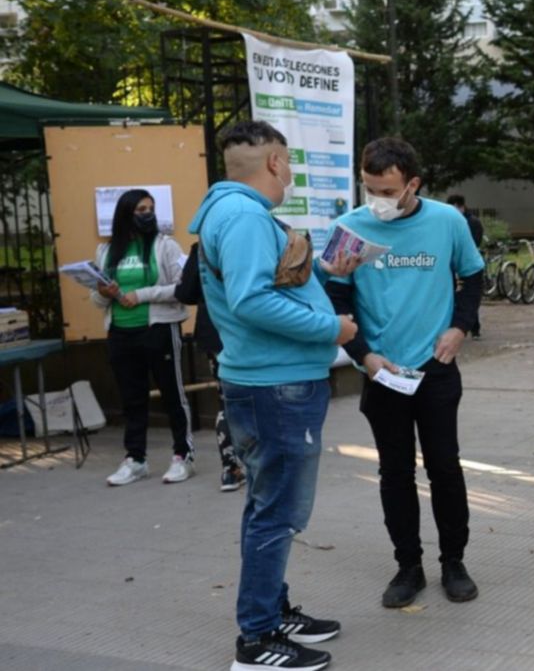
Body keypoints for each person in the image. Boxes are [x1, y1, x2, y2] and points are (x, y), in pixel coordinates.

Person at [190, 120, 359, 671]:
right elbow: (250, 301)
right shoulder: (241, 216)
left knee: (267, 507)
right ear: (274, 163)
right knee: (277, 513)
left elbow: (266, 286)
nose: (289, 171)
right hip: (275, 386)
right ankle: (257, 639)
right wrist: (329, 329)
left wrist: (324, 274)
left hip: (271, 383)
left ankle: (271, 610)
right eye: (288, 162)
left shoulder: (236, 212)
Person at [325, 138, 484, 610]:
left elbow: (473, 277)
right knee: (395, 473)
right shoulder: (347, 228)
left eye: (387, 190)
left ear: (413, 183)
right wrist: (363, 355)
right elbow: (334, 300)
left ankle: (453, 561)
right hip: (382, 372)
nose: (376, 200)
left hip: (436, 369)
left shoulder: (447, 221)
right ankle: (408, 567)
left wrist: (460, 327)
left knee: (445, 468)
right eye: (369, 188)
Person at [92, 189, 196, 487]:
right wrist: (103, 293)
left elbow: (182, 288)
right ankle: (135, 459)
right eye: (141, 209)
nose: (147, 214)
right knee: (132, 399)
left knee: (172, 395)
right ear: (126, 214)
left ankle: (183, 456)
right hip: (120, 333)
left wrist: (141, 295)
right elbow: (97, 299)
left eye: (150, 208)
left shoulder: (166, 246)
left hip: (159, 330)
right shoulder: (107, 251)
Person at [174, 241, 245, 492]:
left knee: (226, 400)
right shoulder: (252, 236)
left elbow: (185, 293)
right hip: (249, 329)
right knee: (258, 395)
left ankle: (230, 469)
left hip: (215, 331)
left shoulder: (202, 247)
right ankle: (260, 464)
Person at [446, 194, 484, 340]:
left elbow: (473, 244)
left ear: (460, 206)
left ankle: (473, 328)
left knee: (468, 295)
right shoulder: (453, 220)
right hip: (452, 264)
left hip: (465, 263)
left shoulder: (471, 222)